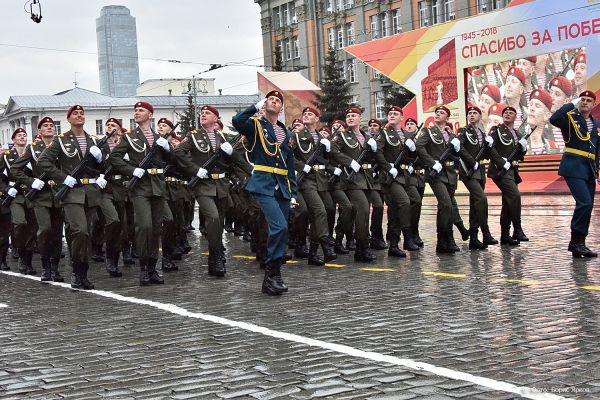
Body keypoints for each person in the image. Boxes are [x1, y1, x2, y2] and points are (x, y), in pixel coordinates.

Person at [232, 91, 298, 295]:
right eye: (271, 99)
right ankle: (271, 274)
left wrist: (293, 191)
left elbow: (290, 164)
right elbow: (237, 121)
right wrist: (254, 107)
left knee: (283, 229)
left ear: (281, 109)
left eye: (278, 101)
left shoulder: (285, 132)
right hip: (263, 184)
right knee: (278, 226)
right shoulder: (256, 125)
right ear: (265, 104)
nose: (274, 102)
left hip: (282, 185)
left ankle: (274, 275)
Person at [37, 105, 106, 289]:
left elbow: (104, 168)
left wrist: (100, 159)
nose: (79, 116)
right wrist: (62, 177)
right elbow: (43, 161)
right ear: (68, 119)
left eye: (82, 113)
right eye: (75, 114)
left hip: (90, 192)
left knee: (88, 233)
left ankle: (83, 272)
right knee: (80, 230)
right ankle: (76, 271)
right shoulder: (61, 140)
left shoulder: (93, 140)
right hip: (72, 192)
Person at [109, 102, 171, 286]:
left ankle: (153, 267)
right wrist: (131, 170)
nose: (137, 113)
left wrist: (167, 149)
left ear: (150, 114)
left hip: (158, 186)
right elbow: (114, 158)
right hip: (141, 187)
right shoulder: (129, 137)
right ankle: (144, 267)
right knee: (144, 226)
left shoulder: (159, 137)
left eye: (141, 110)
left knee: (155, 228)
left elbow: (173, 160)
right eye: (135, 110)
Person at [173, 105, 232, 276]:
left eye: (207, 113)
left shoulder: (223, 137)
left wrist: (231, 153)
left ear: (216, 118)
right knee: (212, 219)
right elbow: (178, 152)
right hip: (203, 186)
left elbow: (235, 160)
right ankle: (217, 255)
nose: (203, 115)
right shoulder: (193, 136)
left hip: (221, 185)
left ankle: (214, 257)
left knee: (219, 223)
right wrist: (194, 169)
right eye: (201, 113)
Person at [10, 118, 65, 281]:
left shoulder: (61, 147)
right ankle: (45, 266)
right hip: (40, 196)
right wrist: (31, 181)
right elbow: (15, 169)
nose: (49, 128)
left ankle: (54, 268)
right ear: (39, 132)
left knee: (56, 232)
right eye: (45, 126)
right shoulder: (33, 148)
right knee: (45, 229)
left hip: (58, 194)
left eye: (51, 126)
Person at [549, 91, 599, 258]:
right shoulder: (570, 118)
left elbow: (597, 149)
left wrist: (597, 171)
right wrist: (571, 104)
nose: (585, 102)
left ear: (593, 105)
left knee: (588, 205)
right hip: (573, 166)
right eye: (582, 100)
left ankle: (579, 243)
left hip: (589, 169)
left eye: (588, 101)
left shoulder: (596, 124)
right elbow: (554, 119)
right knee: (584, 202)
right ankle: (575, 243)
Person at [331, 107, 382, 262]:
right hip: (351, 179)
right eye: (348, 116)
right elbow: (332, 151)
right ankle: (361, 249)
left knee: (372, 208)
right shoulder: (342, 136)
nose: (350, 118)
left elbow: (374, 158)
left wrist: (374, 149)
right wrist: (349, 162)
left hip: (366, 178)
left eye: (354, 115)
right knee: (363, 210)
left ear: (360, 118)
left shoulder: (366, 137)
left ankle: (367, 243)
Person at [290, 106, 336, 265]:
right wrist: (301, 166)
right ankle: (325, 244)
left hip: (321, 179)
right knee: (319, 210)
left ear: (317, 119)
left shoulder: (321, 138)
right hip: (306, 180)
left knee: (328, 209)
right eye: (305, 114)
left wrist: (328, 150)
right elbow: (287, 156)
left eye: (310, 114)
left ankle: (313, 252)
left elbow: (327, 161)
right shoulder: (296, 136)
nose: (306, 115)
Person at [416, 106, 462, 253]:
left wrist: (457, 147)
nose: (438, 114)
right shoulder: (428, 131)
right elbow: (420, 148)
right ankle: (442, 240)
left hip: (450, 174)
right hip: (437, 174)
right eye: (436, 112)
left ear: (447, 118)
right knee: (446, 204)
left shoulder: (451, 135)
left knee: (445, 208)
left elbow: (457, 155)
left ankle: (449, 240)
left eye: (441, 113)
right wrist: (431, 163)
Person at [377, 106, 419, 257]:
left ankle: (393, 246)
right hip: (390, 177)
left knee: (396, 209)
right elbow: (378, 153)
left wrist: (413, 150)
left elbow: (412, 158)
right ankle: (408, 238)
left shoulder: (406, 135)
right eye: (390, 114)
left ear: (402, 117)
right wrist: (388, 167)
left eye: (395, 114)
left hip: (404, 176)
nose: (392, 115)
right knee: (404, 202)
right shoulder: (384, 134)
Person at [487, 106, 529, 246]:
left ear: (515, 117)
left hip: (512, 170)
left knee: (507, 202)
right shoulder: (496, 130)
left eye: (511, 113)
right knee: (515, 196)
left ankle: (505, 235)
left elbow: (518, 154)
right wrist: (500, 162)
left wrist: (523, 149)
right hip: (501, 170)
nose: (507, 114)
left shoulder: (517, 133)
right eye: (505, 113)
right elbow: (490, 148)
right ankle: (517, 229)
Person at [456, 106, 497, 249]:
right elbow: (460, 148)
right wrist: (471, 161)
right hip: (468, 170)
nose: (472, 115)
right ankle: (486, 233)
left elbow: (485, 155)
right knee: (481, 198)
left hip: (480, 170)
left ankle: (473, 238)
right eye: (469, 113)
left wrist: (489, 147)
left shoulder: (481, 132)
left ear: (480, 116)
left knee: (475, 204)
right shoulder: (463, 131)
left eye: (475, 113)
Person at [1, 128, 38, 275]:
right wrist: (5, 190)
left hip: (31, 194)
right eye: (19, 135)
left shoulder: (32, 153)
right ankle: (22, 256)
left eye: (24, 135)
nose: (22, 137)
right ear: (14, 139)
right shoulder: (6, 156)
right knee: (20, 224)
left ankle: (28, 259)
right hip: (15, 196)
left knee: (32, 228)